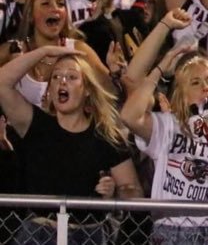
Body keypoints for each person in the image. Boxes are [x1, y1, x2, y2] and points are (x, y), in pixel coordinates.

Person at [120, 9, 208, 244]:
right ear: (181, 96)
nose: (205, 87)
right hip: (170, 230)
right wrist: (161, 67)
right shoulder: (167, 127)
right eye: (195, 82)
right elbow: (129, 116)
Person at [0, 46, 142, 245]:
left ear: (87, 90)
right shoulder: (35, 124)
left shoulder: (107, 136)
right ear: (49, 90)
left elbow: (133, 189)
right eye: (56, 77)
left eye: (72, 77)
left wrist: (113, 194)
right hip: (39, 234)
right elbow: (2, 83)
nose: (62, 82)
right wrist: (43, 52)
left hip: (89, 235)